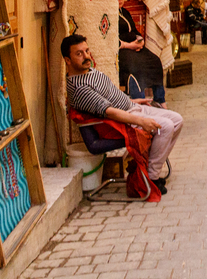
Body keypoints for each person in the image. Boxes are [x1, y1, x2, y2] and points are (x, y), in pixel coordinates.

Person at [62, 34, 183, 193]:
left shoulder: (89, 71)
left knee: (177, 120)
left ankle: (150, 168)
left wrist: (131, 100)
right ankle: (151, 177)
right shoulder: (79, 88)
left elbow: (111, 95)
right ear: (67, 60)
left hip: (131, 106)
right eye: (79, 53)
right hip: (121, 121)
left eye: (86, 51)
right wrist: (141, 122)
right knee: (165, 126)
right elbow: (110, 112)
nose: (86, 56)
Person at [116, 0, 166, 108]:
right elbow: (112, 40)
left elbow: (134, 31)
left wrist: (140, 41)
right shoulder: (109, 15)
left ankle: (159, 99)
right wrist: (129, 46)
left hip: (135, 48)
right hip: (122, 51)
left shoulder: (125, 12)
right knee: (134, 66)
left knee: (155, 60)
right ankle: (141, 103)